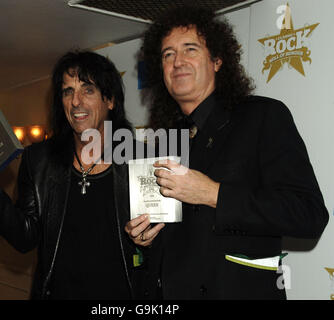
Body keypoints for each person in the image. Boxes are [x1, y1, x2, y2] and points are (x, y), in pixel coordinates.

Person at [125, 6, 329, 299]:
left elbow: (308, 215)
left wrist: (213, 193)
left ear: (217, 60)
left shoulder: (262, 117)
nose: (177, 61)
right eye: (167, 54)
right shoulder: (165, 141)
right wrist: (145, 239)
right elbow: (180, 241)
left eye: (190, 49)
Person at [0, 50, 149, 300]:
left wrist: (149, 239)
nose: (75, 102)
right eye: (67, 91)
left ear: (110, 100)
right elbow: (25, 238)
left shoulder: (141, 160)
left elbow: (166, 246)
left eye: (88, 89)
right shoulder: (39, 160)